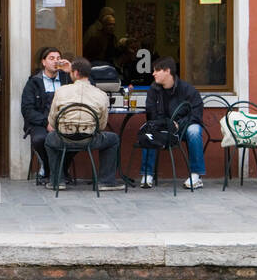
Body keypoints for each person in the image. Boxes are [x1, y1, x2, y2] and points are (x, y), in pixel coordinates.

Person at [45, 57, 124, 191]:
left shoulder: (61, 91)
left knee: (49, 140)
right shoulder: (101, 94)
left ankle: (57, 181)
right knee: (113, 139)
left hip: (64, 138)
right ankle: (106, 181)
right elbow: (102, 125)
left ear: (75, 73)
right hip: (90, 140)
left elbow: (52, 120)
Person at [140, 56, 206, 189]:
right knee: (148, 129)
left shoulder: (188, 90)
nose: (153, 74)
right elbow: (150, 112)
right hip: (162, 127)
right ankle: (147, 175)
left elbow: (196, 114)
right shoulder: (154, 89)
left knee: (194, 130)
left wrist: (179, 124)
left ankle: (196, 176)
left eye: (157, 70)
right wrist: (164, 124)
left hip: (182, 128)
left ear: (167, 71)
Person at [21, 46, 74, 186]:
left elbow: (89, 86)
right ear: (43, 62)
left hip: (66, 122)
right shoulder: (33, 82)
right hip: (41, 123)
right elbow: (27, 109)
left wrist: (71, 71)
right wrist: (46, 123)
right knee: (40, 139)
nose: (55, 61)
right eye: (51, 58)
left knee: (78, 138)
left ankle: (63, 168)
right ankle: (48, 168)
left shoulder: (67, 79)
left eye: (58, 58)